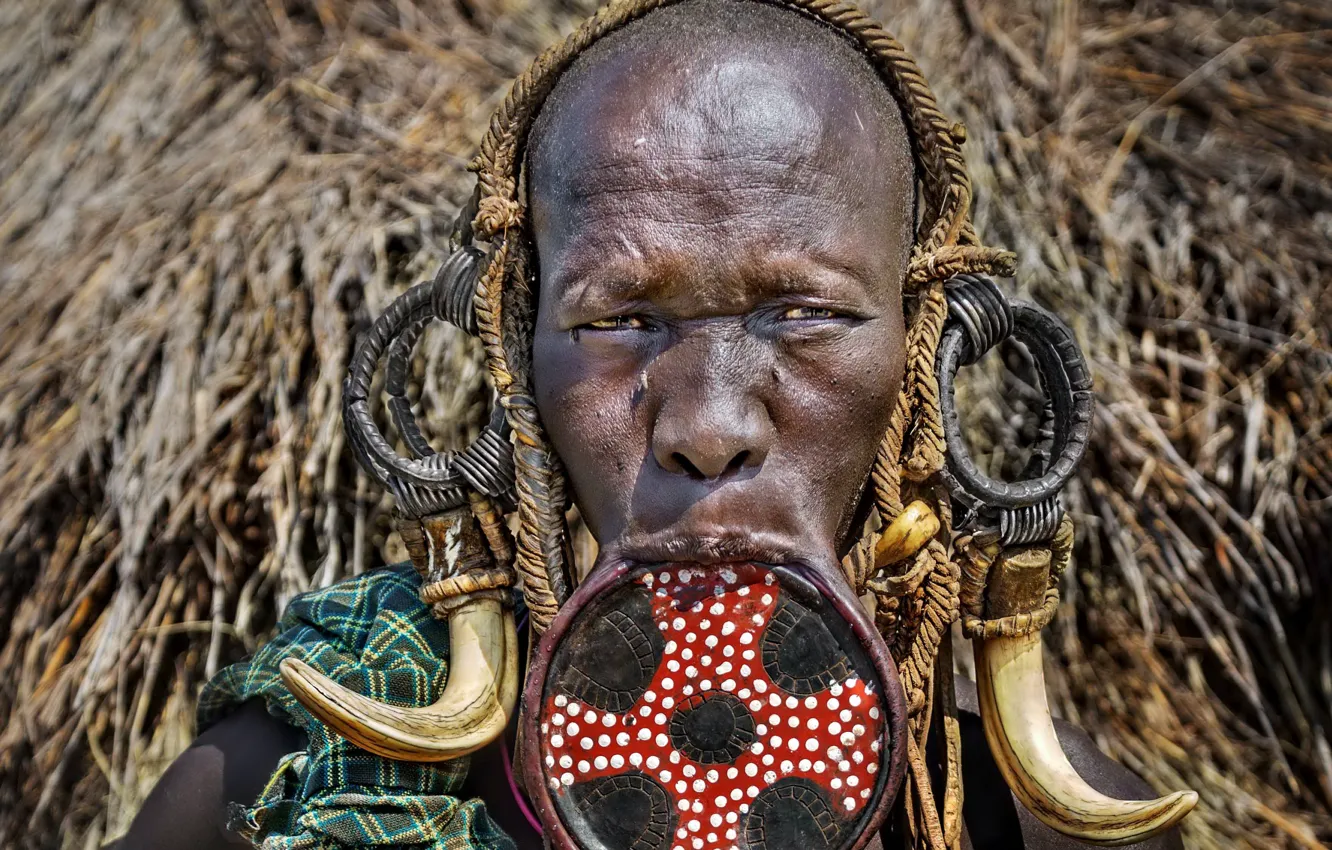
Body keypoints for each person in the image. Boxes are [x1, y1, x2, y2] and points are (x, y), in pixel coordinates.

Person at [116, 1, 1189, 848]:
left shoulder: (1039, 824)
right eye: (620, 319)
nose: (709, 427)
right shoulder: (301, 783)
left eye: (805, 313)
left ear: (925, 352)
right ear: (508, 348)